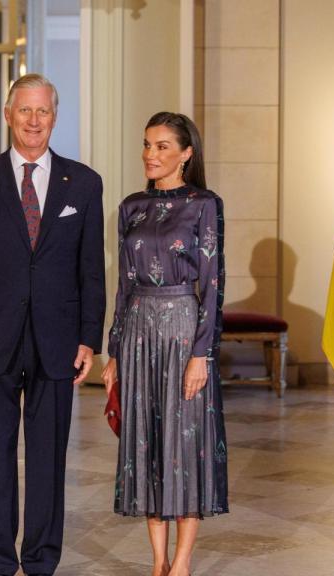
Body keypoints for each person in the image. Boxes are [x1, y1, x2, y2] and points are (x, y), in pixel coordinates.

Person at [0, 73, 105, 576]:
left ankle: (40, 561)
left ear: (55, 117)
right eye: (25, 110)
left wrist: (89, 338)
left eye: (43, 111)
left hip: (58, 340)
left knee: (48, 457)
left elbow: (91, 269)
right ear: (8, 114)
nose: (34, 121)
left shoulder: (84, 182)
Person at [101, 111, 228, 576]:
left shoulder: (204, 204)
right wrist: (114, 350)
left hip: (183, 329)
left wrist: (202, 353)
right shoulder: (131, 206)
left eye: (162, 146)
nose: (150, 155)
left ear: (186, 153)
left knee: (185, 442)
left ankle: (182, 564)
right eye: (147, 144)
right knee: (147, 442)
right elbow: (123, 285)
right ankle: (157, 562)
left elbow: (213, 284)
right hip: (137, 331)